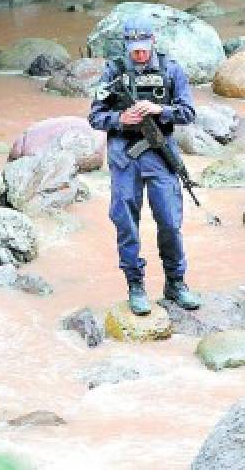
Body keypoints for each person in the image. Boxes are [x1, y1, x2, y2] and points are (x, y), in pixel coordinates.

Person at [88, 17, 201, 316]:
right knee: (126, 223)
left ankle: (176, 283)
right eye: (133, 48)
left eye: (144, 48)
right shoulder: (113, 71)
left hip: (160, 153)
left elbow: (188, 112)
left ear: (153, 42)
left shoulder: (170, 69)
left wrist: (160, 110)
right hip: (124, 155)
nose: (139, 54)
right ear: (126, 45)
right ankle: (135, 285)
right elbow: (95, 117)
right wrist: (119, 119)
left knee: (169, 222)